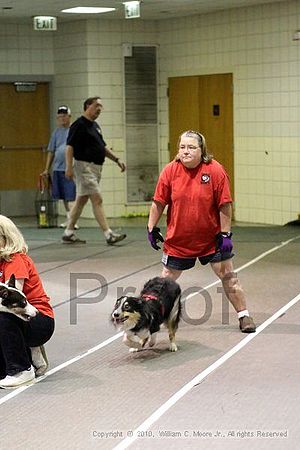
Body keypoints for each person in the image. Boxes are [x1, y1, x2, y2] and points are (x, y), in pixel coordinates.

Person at [147, 130, 256, 333]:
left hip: (211, 239)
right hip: (179, 240)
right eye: (182, 147)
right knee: (165, 281)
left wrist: (225, 235)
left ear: (201, 150)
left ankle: (244, 316)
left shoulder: (215, 171)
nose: (185, 151)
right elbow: (159, 202)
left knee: (229, 275)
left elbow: (225, 205)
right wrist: (151, 227)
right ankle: (152, 318)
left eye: (191, 147)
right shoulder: (170, 171)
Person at [62, 96, 127, 245]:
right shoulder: (78, 125)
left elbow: (102, 148)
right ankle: (108, 234)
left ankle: (68, 232)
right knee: (97, 199)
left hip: (96, 168)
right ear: (87, 106)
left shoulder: (95, 126)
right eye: (97, 105)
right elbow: (69, 146)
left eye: (101, 107)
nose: (99, 109)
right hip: (84, 167)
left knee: (81, 200)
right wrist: (68, 167)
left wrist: (117, 160)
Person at [0, 215, 55, 389]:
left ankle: (21, 370)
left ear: (5, 238)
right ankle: (29, 356)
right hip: (18, 319)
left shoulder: (15, 260)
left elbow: (11, 300)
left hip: (38, 319)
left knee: (3, 316)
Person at [41, 105, 78, 229]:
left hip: (70, 169)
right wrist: (47, 169)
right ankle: (69, 219)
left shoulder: (74, 130)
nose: (62, 119)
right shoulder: (56, 132)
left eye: (64, 116)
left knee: (71, 195)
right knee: (63, 196)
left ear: (69, 117)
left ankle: (73, 222)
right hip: (57, 168)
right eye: (59, 117)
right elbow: (51, 151)